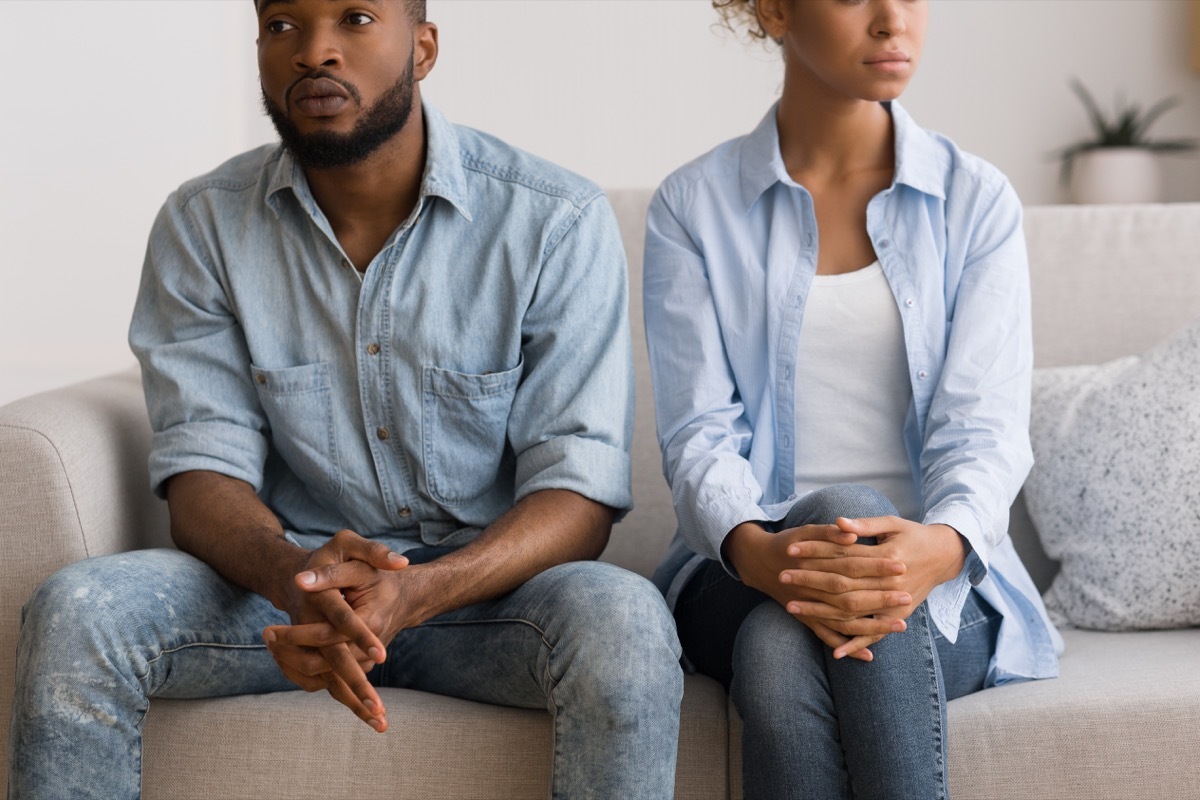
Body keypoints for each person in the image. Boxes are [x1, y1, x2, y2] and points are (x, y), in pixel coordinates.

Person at [8, 1, 683, 797]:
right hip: (287, 593)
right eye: (282, 26)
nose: (313, 52)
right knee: (80, 609)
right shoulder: (204, 224)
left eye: (356, 18)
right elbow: (202, 478)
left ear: (423, 48)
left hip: (486, 601)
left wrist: (421, 590)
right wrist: (297, 580)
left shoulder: (553, 221)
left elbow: (579, 492)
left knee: (625, 621)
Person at [643, 0, 1063, 797]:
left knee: (775, 653)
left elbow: (986, 429)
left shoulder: (976, 202)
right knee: (844, 512)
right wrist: (762, 553)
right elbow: (698, 436)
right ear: (773, 11)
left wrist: (936, 549)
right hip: (742, 565)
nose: (891, 21)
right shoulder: (692, 207)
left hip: (935, 570)